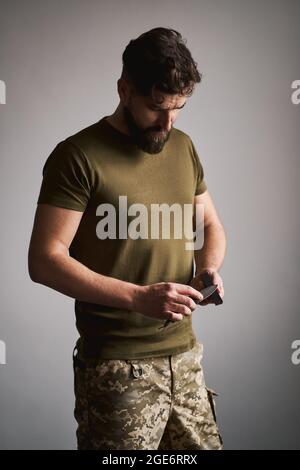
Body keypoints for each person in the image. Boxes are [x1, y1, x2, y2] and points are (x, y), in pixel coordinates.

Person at [28, 27, 226, 450]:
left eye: (179, 109)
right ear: (124, 89)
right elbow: (44, 259)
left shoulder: (184, 147)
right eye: (156, 108)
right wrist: (139, 298)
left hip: (187, 360)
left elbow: (209, 224)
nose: (167, 123)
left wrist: (208, 268)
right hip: (118, 369)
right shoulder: (77, 157)